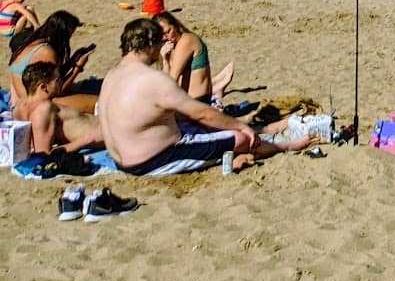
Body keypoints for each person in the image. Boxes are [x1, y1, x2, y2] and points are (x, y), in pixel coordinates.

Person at [99, 17, 314, 175]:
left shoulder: (112, 75)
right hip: (152, 160)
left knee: (199, 127)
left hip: (120, 159)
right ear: (152, 44)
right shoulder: (153, 79)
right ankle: (285, 146)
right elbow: (201, 113)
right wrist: (241, 127)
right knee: (240, 138)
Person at [8, 11, 93, 108]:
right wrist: (78, 67)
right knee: (93, 102)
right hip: (35, 106)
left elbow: (54, 76)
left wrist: (72, 60)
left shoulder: (34, 43)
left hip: (21, 102)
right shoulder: (47, 52)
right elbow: (59, 90)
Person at [16, 62, 103, 153]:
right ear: (44, 87)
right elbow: (44, 154)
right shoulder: (44, 109)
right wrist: (89, 139)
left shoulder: (19, 108)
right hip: (104, 134)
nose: (61, 82)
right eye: (57, 80)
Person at [156, 11, 232, 105]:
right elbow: (166, 81)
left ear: (175, 26)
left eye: (168, 32)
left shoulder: (186, 41)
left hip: (197, 101)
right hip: (188, 100)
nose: (165, 37)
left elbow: (171, 81)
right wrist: (165, 60)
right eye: (161, 36)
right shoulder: (172, 47)